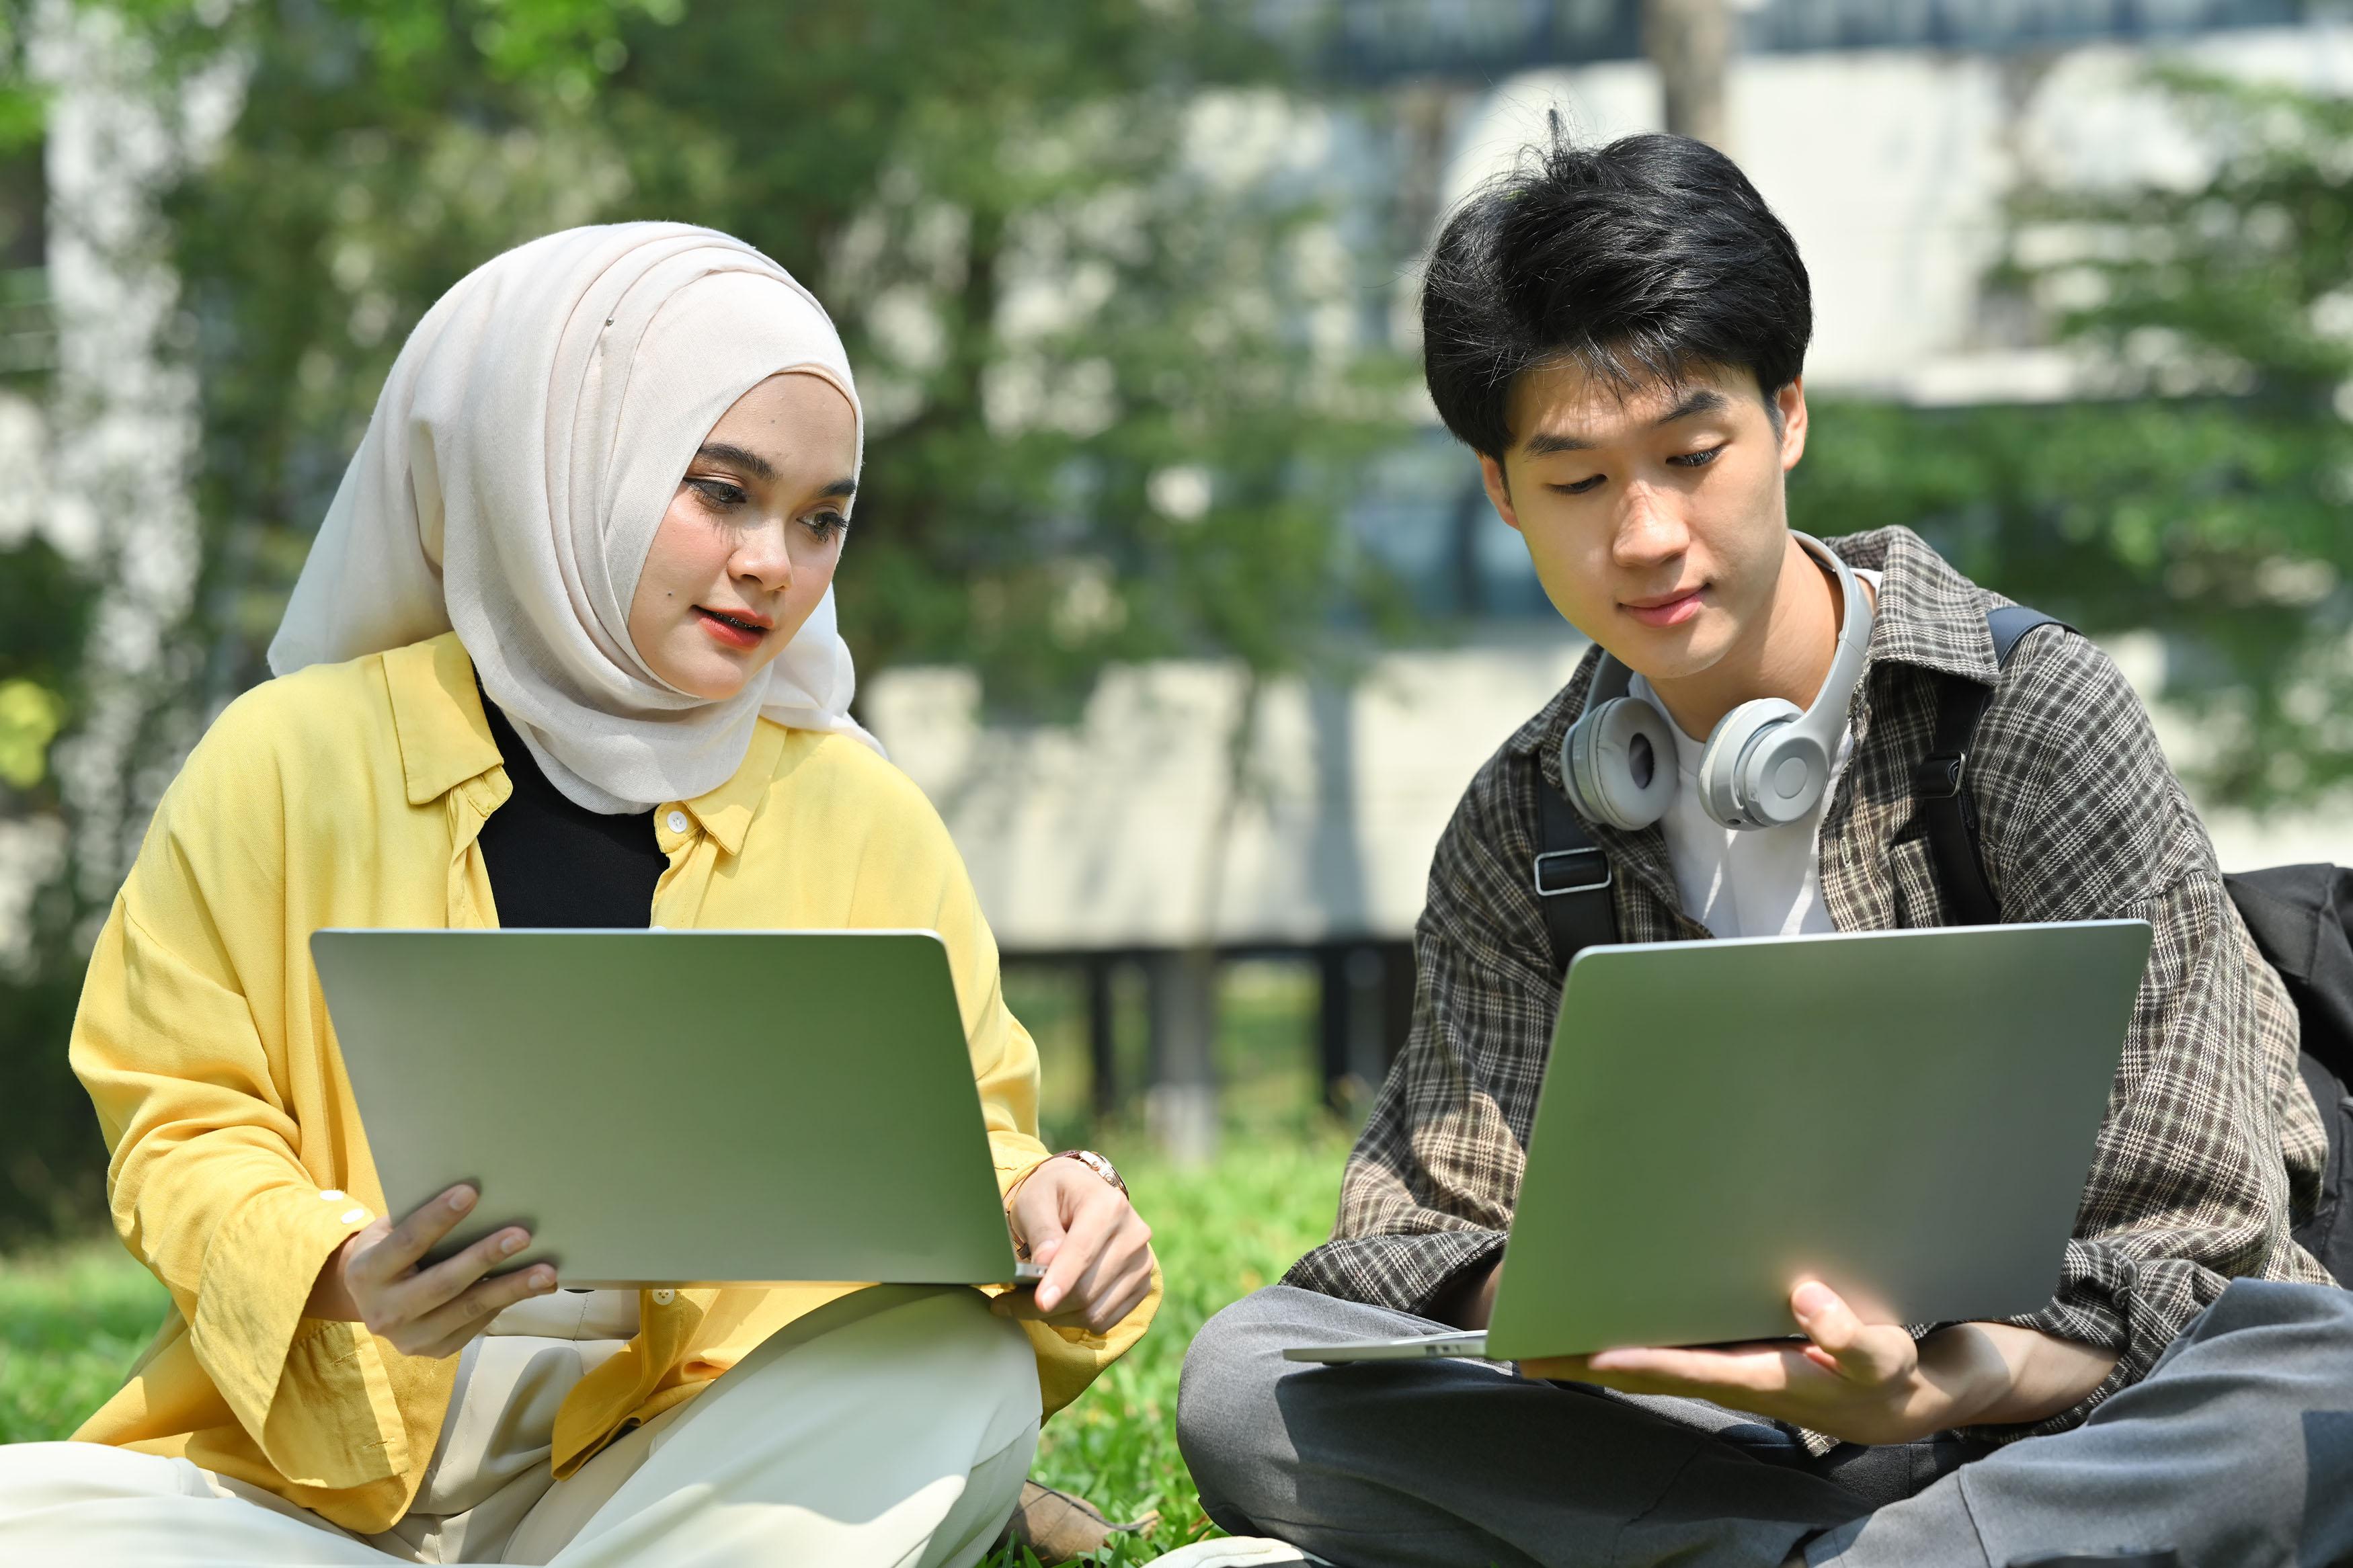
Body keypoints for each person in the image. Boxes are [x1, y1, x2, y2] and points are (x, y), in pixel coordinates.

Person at [1171, 132, 2353, 1568]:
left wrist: (1941, 1375)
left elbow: (2209, 1238)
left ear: (1785, 415)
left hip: (2051, 1414)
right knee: (1253, 1379)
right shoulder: (1522, 821)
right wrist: (1605, 1324)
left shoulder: (2028, 720)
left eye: (1690, 454)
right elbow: (1409, 1236)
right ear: (1500, 496)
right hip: (1707, 1429)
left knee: (2316, 1382)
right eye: (1577, 483)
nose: (1649, 536)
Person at [0, 222, 1158, 1566]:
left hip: (683, 1464)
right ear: (552, 463)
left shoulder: (859, 812)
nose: (772, 563)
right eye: (722, 491)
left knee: (950, 1371)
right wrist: (339, 1271)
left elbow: (967, 1147)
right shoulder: (286, 761)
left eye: (820, 519)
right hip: (305, 1494)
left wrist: (1046, 1209)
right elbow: (178, 1121)